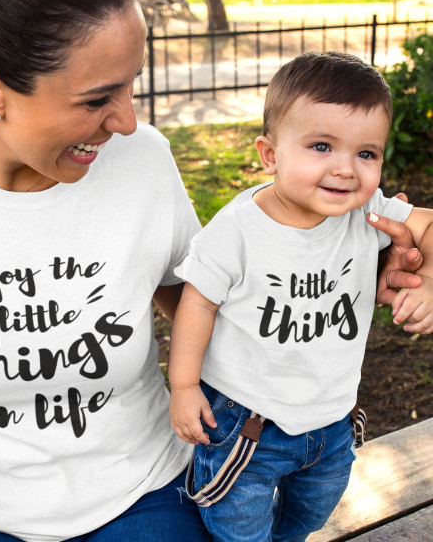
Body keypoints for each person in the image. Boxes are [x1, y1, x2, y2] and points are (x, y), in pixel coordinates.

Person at [0, 0, 421, 539]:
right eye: (96, 98)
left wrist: (354, 275)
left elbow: (219, 305)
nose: (127, 121)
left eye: (130, 85)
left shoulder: (141, 162)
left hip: (144, 499)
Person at [168, 51, 433, 542]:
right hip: (247, 425)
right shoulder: (239, 231)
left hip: (332, 419)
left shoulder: (367, 211)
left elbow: (428, 224)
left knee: (312, 513)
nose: (346, 169)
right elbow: (197, 303)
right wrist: (184, 387)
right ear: (270, 154)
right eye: (321, 146)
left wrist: (431, 278)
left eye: (366, 153)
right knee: (238, 525)